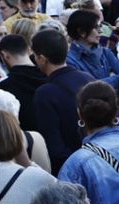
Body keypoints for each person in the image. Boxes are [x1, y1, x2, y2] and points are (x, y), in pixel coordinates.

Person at [29, 28, 90, 169]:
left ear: (42, 59)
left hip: (71, 167)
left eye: (35, 56)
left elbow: (53, 144)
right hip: (101, 158)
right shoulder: (88, 78)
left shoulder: (45, 93)